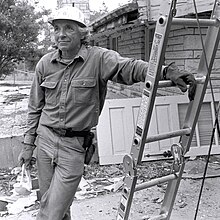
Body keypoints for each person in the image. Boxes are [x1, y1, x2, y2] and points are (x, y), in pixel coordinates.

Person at [18, 6, 196, 220]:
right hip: (45, 141)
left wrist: (166, 71)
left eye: (68, 28)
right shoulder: (45, 64)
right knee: (58, 209)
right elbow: (35, 108)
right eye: (56, 28)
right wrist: (28, 146)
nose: (61, 34)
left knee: (49, 213)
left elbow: (130, 67)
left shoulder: (99, 59)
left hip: (73, 147)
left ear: (82, 32)